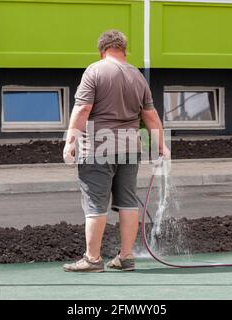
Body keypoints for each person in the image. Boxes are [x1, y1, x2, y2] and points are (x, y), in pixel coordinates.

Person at [62, 30, 169, 272]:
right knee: (128, 203)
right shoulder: (138, 76)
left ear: (101, 50)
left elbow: (82, 110)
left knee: (95, 204)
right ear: (124, 50)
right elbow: (150, 116)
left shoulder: (95, 71)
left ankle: (92, 259)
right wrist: (161, 145)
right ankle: (126, 257)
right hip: (131, 148)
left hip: (99, 148)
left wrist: (70, 142)